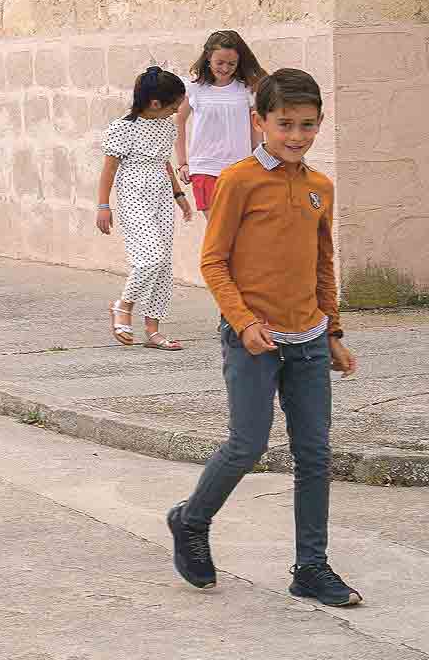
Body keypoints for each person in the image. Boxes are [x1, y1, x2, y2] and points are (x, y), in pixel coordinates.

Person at [169, 68, 360, 607]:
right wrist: (245, 322)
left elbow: (323, 265)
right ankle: (190, 520)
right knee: (247, 444)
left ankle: (311, 566)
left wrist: (335, 332)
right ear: (260, 121)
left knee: (315, 454)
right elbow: (213, 260)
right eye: (285, 125)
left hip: (310, 339)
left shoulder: (320, 187)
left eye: (308, 125)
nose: (296, 136)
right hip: (251, 337)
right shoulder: (239, 180)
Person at [97, 67, 193, 350]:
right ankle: (123, 306)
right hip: (134, 195)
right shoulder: (122, 129)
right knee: (150, 256)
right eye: (174, 105)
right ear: (155, 103)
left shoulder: (166, 127)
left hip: (162, 195)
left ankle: (153, 330)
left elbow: (164, 161)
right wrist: (103, 205)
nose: (177, 110)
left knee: (163, 264)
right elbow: (109, 169)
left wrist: (179, 195)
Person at [175, 30, 266, 216]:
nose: (225, 68)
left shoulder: (247, 89)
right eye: (220, 63)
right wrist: (183, 163)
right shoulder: (194, 89)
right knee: (219, 233)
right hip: (204, 169)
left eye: (232, 63)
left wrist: (261, 162)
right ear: (208, 58)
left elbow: (256, 130)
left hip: (241, 169)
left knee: (242, 234)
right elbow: (179, 122)